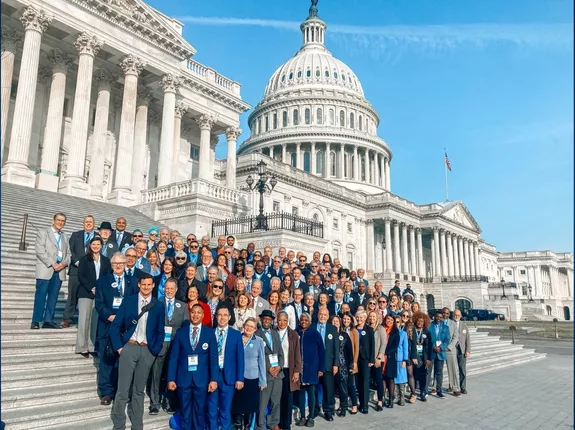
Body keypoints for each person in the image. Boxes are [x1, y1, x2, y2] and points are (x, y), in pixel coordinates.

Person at [109, 273, 165, 430]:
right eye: (144, 284)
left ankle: (137, 425)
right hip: (129, 347)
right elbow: (115, 326)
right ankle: (119, 425)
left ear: (153, 285)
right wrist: (120, 348)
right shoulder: (129, 301)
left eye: (149, 284)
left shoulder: (158, 306)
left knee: (139, 391)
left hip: (147, 350)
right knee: (123, 389)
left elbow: (160, 331)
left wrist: (154, 351)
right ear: (139, 285)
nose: (146, 287)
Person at [94, 252, 138, 405]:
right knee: (106, 360)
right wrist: (111, 316)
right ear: (111, 265)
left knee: (124, 361)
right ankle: (106, 392)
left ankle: (122, 391)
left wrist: (125, 319)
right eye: (115, 264)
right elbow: (99, 304)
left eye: (121, 263)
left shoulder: (133, 282)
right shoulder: (102, 282)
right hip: (108, 325)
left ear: (126, 264)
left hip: (125, 328)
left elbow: (136, 303)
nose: (118, 266)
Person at [167, 303, 219, 430]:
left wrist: (213, 379)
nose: (195, 315)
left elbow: (213, 358)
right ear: (190, 313)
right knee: (185, 411)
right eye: (193, 312)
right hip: (183, 379)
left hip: (201, 380)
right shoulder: (181, 332)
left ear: (203, 316)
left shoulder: (209, 333)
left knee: (200, 412)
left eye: (198, 313)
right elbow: (174, 357)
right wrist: (171, 379)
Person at [148, 278, 189, 415]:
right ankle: (154, 403)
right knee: (156, 375)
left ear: (176, 289)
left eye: (172, 288)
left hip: (175, 347)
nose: (169, 291)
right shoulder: (156, 304)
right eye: (167, 288)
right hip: (159, 345)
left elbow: (185, 327)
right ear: (163, 289)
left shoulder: (182, 306)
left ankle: (168, 401)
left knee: (171, 375)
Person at [207, 307, 245, 430]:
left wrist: (240, 378)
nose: (222, 318)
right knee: (212, 409)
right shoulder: (209, 333)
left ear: (229, 317)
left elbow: (240, 358)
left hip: (229, 377)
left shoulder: (236, 335)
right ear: (216, 317)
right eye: (219, 315)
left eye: (225, 315)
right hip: (212, 376)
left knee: (225, 409)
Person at [32, 212, 71, 330]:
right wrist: (52, 263)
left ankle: (48, 320)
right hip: (46, 269)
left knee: (53, 297)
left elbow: (69, 253)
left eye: (63, 221)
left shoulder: (64, 236)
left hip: (59, 271)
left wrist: (64, 263)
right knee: (41, 295)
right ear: (53, 220)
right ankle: (36, 320)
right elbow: (40, 251)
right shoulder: (43, 233)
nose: (60, 222)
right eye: (59, 220)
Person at [76, 236, 111, 357]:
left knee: (94, 321)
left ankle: (91, 346)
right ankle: (82, 347)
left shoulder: (106, 260)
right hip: (86, 292)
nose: (96, 247)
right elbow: (80, 275)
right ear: (90, 246)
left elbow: (107, 276)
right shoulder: (84, 259)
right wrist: (91, 287)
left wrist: (100, 289)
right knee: (83, 319)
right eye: (93, 244)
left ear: (102, 246)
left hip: (99, 294)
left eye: (98, 244)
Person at [232, 318, 266, 430]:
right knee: (237, 403)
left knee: (250, 405)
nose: (249, 328)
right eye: (247, 325)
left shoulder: (259, 341)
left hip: (252, 377)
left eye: (252, 326)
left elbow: (261, 361)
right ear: (243, 325)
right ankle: (238, 425)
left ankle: (248, 426)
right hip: (238, 376)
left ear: (255, 329)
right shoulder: (237, 337)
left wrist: (262, 381)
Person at [63, 215, 95, 328]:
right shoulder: (76, 235)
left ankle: (83, 320)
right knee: (72, 295)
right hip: (75, 270)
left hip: (90, 273)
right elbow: (70, 250)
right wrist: (76, 262)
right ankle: (67, 318)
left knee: (86, 296)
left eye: (90, 222)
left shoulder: (97, 236)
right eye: (86, 222)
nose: (88, 224)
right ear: (83, 223)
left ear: (94, 224)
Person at [255, 310, 284, 430]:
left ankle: (273, 423)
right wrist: (268, 368)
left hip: (277, 374)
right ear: (261, 320)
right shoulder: (256, 334)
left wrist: (279, 366)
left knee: (276, 401)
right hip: (265, 374)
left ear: (272, 320)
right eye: (264, 318)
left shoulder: (275, 333)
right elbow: (257, 355)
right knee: (262, 403)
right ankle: (260, 425)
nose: (267, 321)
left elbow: (280, 353)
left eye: (269, 319)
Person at [296, 312, 325, 428]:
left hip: (312, 368)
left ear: (309, 322)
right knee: (301, 394)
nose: (303, 322)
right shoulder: (297, 332)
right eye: (302, 320)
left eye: (306, 321)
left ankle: (311, 417)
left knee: (311, 393)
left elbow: (322, 351)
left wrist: (321, 368)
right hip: (300, 369)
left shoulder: (315, 333)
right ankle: (303, 416)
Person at [311, 307, 339, 421]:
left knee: (328, 389)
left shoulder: (332, 329)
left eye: (325, 315)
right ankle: (315, 410)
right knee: (315, 388)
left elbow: (336, 348)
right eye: (321, 314)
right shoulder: (312, 327)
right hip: (314, 364)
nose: (322, 316)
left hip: (328, 363)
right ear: (318, 315)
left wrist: (335, 364)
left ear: (328, 316)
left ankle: (328, 410)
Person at [277, 311, 302, 430]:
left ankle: (287, 424)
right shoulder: (273, 333)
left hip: (289, 369)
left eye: (284, 320)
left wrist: (297, 370)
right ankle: (279, 422)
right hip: (277, 370)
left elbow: (297, 353)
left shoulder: (293, 334)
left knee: (288, 398)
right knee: (278, 397)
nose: (282, 323)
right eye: (280, 320)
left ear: (288, 321)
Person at [329, 315, 352, 417]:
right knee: (331, 388)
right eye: (333, 321)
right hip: (330, 365)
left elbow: (349, 351)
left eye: (337, 321)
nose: (335, 323)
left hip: (342, 365)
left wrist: (350, 364)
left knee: (342, 388)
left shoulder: (344, 335)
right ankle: (331, 408)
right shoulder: (328, 335)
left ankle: (344, 407)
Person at [354, 310, 374, 414]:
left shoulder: (369, 329)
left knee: (365, 381)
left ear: (365, 318)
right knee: (358, 382)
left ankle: (365, 405)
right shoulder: (353, 329)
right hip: (355, 359)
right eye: (357, 317)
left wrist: (372, 359)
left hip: (365, 359)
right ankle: (360, 402)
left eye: (361, 317)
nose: (359, 319)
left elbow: (372, 345)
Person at [428, 311, 450, 399]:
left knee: (439, 373)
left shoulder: (445, 327)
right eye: (437, 317)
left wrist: (440, 347)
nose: (438, 319)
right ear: (434, 317)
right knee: (428, 372)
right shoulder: (430, 326)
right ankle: (425, 390)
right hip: (432, 351)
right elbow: (428, 338)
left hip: (440, 352)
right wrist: (434, 346)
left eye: (440, 317)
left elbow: (447, 340)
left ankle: (439, 390)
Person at [367, 310, 386, 411]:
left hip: (378, 358)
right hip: (368, 358)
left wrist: (379, 357)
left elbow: (383, 343)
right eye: (370, 316)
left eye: (374, 317)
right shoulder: (367, 328)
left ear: (377, 317)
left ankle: (380, 401)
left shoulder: (380, 328)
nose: (372, 318)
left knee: (379, 379)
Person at [411, 311, 432, 401]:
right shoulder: (412, 330)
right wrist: (413, 356)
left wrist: (428, 359)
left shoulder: (426, 331)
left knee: (423, 375)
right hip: (415, 356)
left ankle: (423, 392)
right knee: (415, 375)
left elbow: (429, 345)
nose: (420, 323)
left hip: (424, 356)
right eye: (419, 321)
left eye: (422, 321)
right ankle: (413, 392)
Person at [442, 307, 461, 397]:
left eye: (447, 313)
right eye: (443, 313)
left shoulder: (453, 323)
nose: (445, 315)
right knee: (438, 369)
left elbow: (456, 337)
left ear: (449, 314)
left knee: (452, 369)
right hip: (440, 349)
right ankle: (435, 387)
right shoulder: (438, 322)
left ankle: (455, 387)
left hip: (450, 349)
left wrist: (449, 347)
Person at [393, 315, 410, 406]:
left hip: (400, 358)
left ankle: (402, 397)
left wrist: (404, 360)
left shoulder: (403, 333)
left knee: (402, 378)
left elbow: (405, 347)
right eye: (395, 321)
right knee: (395, 379)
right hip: (392, 359)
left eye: (398, 322)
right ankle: (396, 396)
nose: (396, 323)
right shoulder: (390, 333)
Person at [454, 309, 471, 394]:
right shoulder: (450, 324)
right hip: (453, 349)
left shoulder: (464, 325)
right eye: (455, 315)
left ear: (460, 316)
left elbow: (468, 338)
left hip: (462, 349)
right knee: (453, 369)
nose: (456, 316)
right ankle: (452, 386)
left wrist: (468, 350)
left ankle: (463, 387)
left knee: (462, 370)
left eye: (458, 315)